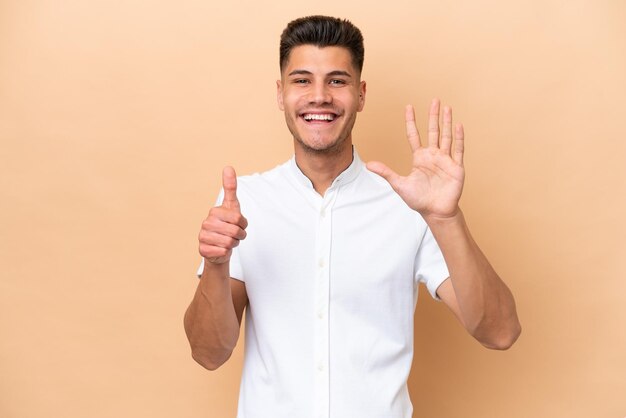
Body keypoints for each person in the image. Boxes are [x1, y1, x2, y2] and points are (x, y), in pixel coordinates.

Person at [184, 15, 521, 418]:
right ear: (281, 93)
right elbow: (209, 352)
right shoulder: (244, 202)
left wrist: (446, 220)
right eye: (302, 80)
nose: (320, 96)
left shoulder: (411, 205)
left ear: (360, 95)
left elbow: (500, 332)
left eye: (337, 81)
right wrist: (216, 265)